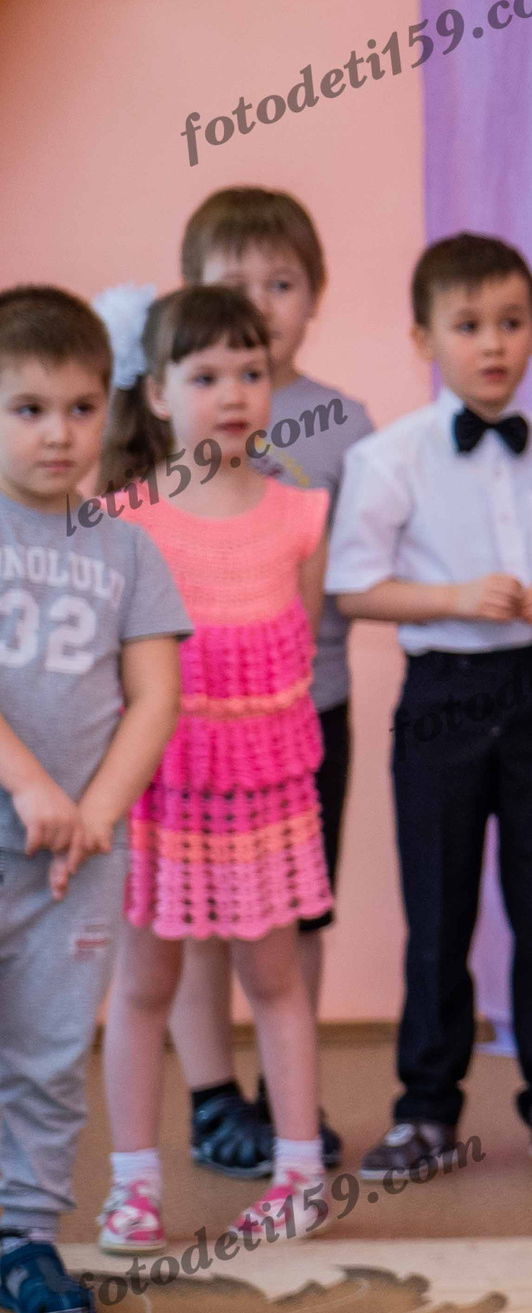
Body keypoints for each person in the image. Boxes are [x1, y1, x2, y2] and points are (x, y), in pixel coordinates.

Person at [328, 234, 532, 1182]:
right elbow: (353, 586)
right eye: (468, 324)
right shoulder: (389, 456)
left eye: (512, 323)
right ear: (423, 336)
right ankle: (426, 1109)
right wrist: (451, 596)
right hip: (442, 692)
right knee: (437, 907)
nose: (492, 343)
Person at [92, 286, 332, 1248]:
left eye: (250, 372)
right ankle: (134, 1183)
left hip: (264, 797)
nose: (232, 393)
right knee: (144, 985)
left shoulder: (299, 514)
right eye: (205, 376)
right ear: (155, 393)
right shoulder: (123, 519)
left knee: (276, 980)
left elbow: (299, 651)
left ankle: (300, 1172)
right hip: (157, 793)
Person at [162, 186, 376, 1181]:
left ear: (315, 297)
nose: (260, 303)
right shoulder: (172, 414)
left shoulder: (343, 420)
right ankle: (212, 1098)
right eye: (233, 284)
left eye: (281, 284)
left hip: (307, 707)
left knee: (296, 913)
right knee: (197, 921)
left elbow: (350, 565)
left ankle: (289, 1102)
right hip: (188, 726)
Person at [0, 286, 188, 1313]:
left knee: (47, 1049)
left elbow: (154, 693)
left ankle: (25, 1235)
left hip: (76, 854)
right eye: (28, 409)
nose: (59, 432)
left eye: (80, 407)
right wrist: (32, 786)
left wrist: (93, 812)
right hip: (21, 815)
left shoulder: (124, 545)